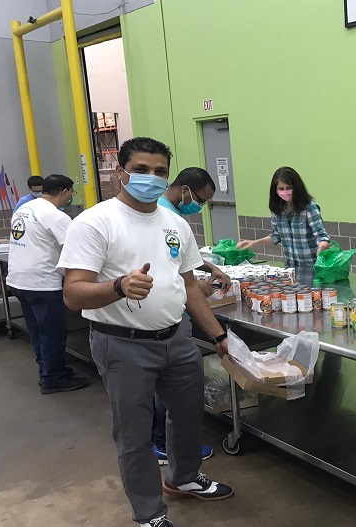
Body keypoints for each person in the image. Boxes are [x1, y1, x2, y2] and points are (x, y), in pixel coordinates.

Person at [58, 137, 234, 527]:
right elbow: (73, 293)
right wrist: (119, 286)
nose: (150, 177)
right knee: (134, 434)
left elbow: (189, 286)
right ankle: (149, 513)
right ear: (121, 172)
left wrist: (218, 336)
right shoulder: (95, 222)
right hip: (122, 344)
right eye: (141, 169)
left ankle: (183, 478)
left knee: (187, 415)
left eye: (159, 171)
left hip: (177, 338)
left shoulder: (175, 223)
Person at [153, 166, 232, 465]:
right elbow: (165, 272)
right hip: (168, 321)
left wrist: (210, 268)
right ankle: (167, 447)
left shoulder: (171, 213)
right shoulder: (163, 215)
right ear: (185, 189)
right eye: (200, 200)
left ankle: (169, 445)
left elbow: (181, 256)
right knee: (174, 392)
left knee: (171, 390)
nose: (200, 206)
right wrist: (197, 288)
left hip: (173, 320)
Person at [6, 174, 88, 393]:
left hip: (18, 280)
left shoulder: (25, 208)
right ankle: (53, 378)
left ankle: (48, 370)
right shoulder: (55, 216)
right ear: (65, 191)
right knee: (52, 332)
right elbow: (76, 248)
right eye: (71, 193)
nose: (70, 197)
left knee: (37, 330)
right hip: (41, 283)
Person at [237, 166, 331, 284]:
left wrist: (322, 246)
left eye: (289, 188)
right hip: (290, 270)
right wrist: (254, 243)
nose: (285, 192)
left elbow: (321, 236)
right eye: (281, 189)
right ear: (275, 190)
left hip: (311, 270)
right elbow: (276, 236)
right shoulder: (278, 209)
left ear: (296, 187)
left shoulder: (309, 208)